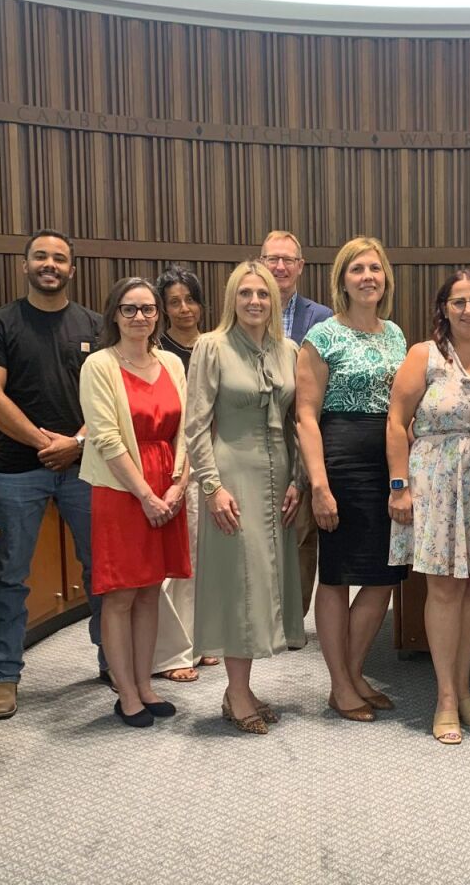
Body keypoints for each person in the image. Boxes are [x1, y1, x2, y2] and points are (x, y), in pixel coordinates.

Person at [0, 229, 106, 720]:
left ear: (72, 269)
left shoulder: (94, 323)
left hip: (85, 466)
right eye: (40, 256)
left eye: (59, 258)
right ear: (24, 264)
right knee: (9, 576)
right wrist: (45, 443)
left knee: (102, 573)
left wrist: (76, 443)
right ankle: (4, 676)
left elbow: (110, 399)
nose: (50, 264)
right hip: (17, 471)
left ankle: (112, 662)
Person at [387, 270, 470, 744]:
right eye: (458, 301)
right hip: (437, 484)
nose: (468, 309)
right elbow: (396, 421)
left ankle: (464, 689)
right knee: (443, 589)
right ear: (443, 307)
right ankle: (445, 698)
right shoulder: (423, 356)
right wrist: (399, 486)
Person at [185, 261, 304, 735]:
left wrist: (299, 480)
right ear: (233, 298)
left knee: (265, 584)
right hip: (232, 475)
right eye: (245, 293)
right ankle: (236, 693)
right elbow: (195, 426)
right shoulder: (211, 347)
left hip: (280, 481)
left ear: (274, 301)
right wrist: (211, 488)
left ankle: (244, 687)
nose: (255, 301)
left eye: (263, 294)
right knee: (239, 581)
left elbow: (297, 422)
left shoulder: (288, 348)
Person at [296, 237, 407, 722]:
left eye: (375, 269)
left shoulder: (396, 335)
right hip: (340, 459)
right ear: (342, 279)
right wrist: (319, 485)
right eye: (357, 269)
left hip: (388, 462)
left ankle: (355, 673)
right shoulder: (321, 336)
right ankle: (341, 685)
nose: (368, 277)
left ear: (385, 278)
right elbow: (304, 414)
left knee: (385, 575)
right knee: (338, 575)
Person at [79, 277, 191, 728]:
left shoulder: (171, 362)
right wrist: (146, 494)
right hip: (122, 489)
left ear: (157, 316)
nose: (140, 317)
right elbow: (105, 437)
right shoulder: (100, 365)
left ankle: (146, 684)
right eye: (130, 309)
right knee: (120, 595)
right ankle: (126, 693)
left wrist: (177, 485)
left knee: (150, 591)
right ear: (114, 315)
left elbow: (187, 428)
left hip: (167, 486)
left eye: (148, 309)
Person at [259, 231, 331, 636]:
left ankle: (293, 620)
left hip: (301, 429)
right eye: (273, 259)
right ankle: (259, 617)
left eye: (288, 260)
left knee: (301, 529)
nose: (280, 267)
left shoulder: (320, 318)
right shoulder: (246, 309)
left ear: (301, 266)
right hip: (254, 430)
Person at [150, 264, 218, 682]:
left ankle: (202, 640)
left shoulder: (214, 346)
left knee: (207, 560)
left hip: (216, 463)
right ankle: (173, 652)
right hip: (176, 466)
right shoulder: (158, 354)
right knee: (176, 563)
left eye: (190, 299)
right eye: (174, 301)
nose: (184, 308)